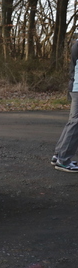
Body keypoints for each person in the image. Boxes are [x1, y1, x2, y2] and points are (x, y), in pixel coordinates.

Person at [53, 38, 78, 172]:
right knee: (75, 123)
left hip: (75, 87)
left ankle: (58, 155)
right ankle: (63, 160)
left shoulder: (76, 44)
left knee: (72, 122)